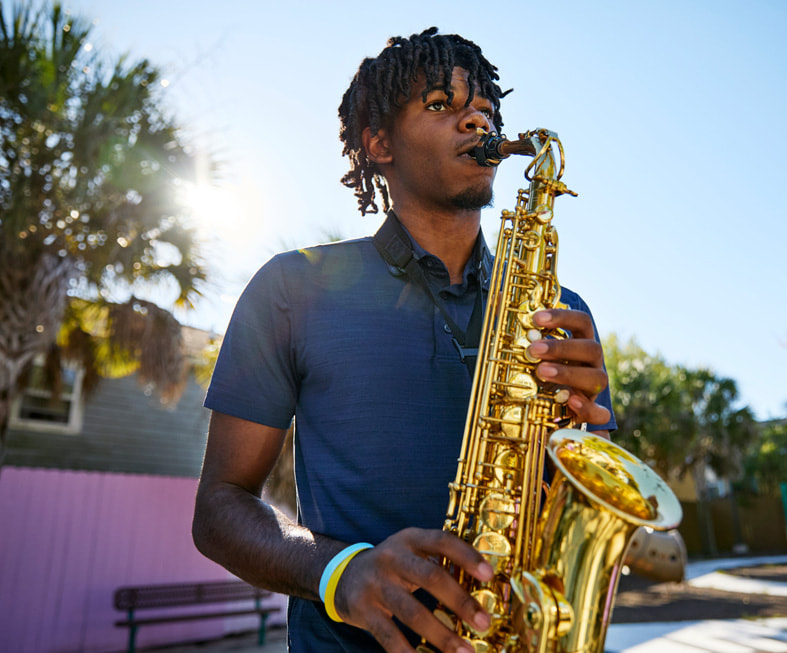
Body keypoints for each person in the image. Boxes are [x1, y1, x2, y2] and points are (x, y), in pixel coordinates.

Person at [192, 28, 616, 653]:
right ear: (379, 143)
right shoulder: (291, 288)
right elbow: (219, 508)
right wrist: (339, 572)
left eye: (486, 109)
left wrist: (580, 430)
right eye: (441, 104)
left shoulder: (560, 311)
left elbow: (582, 509)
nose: (477, 119)